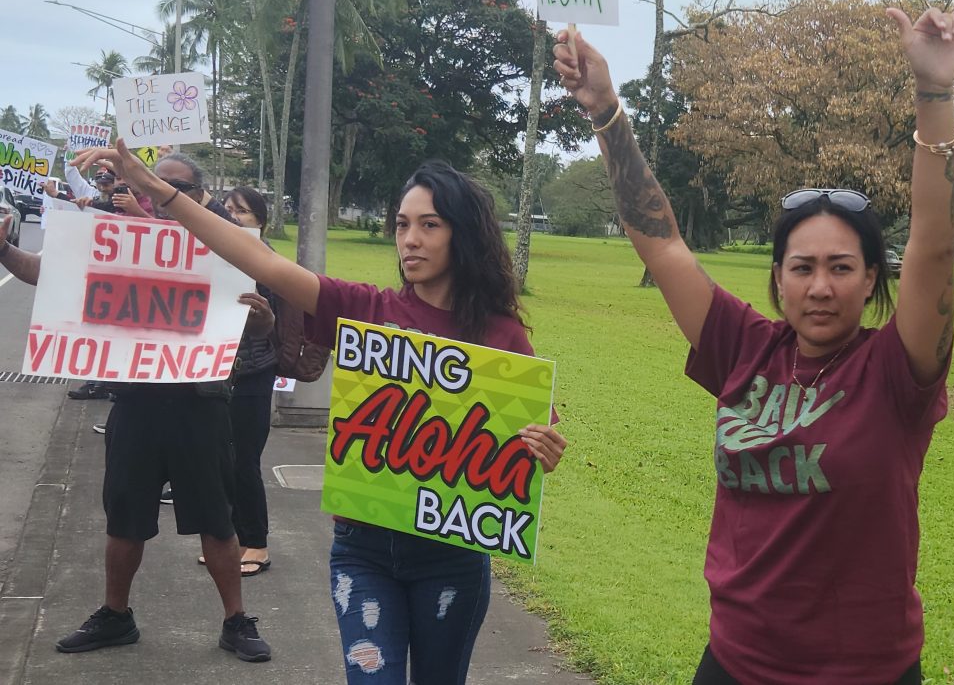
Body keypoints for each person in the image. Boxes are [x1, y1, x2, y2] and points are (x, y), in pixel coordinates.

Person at [552, 4, 954, 685]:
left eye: (842, 267)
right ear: (778, 278)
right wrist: (605, 109)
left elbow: (934, 245)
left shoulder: (897, 369)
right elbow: (662, 243)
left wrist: (934, 91)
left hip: (866, 671)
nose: (820, 286)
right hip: (737, 661)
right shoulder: (743, 346)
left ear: (872, 279)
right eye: (802, 267)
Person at [67, 151, 567, 685]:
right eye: (402, 225)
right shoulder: (367, 311)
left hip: (452, 558)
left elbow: (528, 448)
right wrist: (156, 189)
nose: (410, 240)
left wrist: (543, 449)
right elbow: (259, 260)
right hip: (363, 552)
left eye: (429, 225)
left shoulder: (499, 335)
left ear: (462, 234)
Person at [0, 151, 273, 663]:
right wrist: (4, 248)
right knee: (125, 517)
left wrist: (261, 320)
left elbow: (258, 321)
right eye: (149, 183)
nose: (159, 192)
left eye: (176, 187)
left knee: (217, 520)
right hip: (137, 403)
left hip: (200, 407)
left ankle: (236, 620)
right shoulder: (115, 233)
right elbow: (46, 272)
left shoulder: (223, 240)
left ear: (198, 194)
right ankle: (116, 615)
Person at [197, 186, 277, 577]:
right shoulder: (215, 253)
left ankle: (257, 543)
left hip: (252, 373)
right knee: (220, 462)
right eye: (227, 208)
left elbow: (266, 319)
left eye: (241, 211)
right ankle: (232, 542)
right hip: (217, 371)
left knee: (245, 460)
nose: (232, 216)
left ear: (261, 221)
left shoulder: (262, 257)